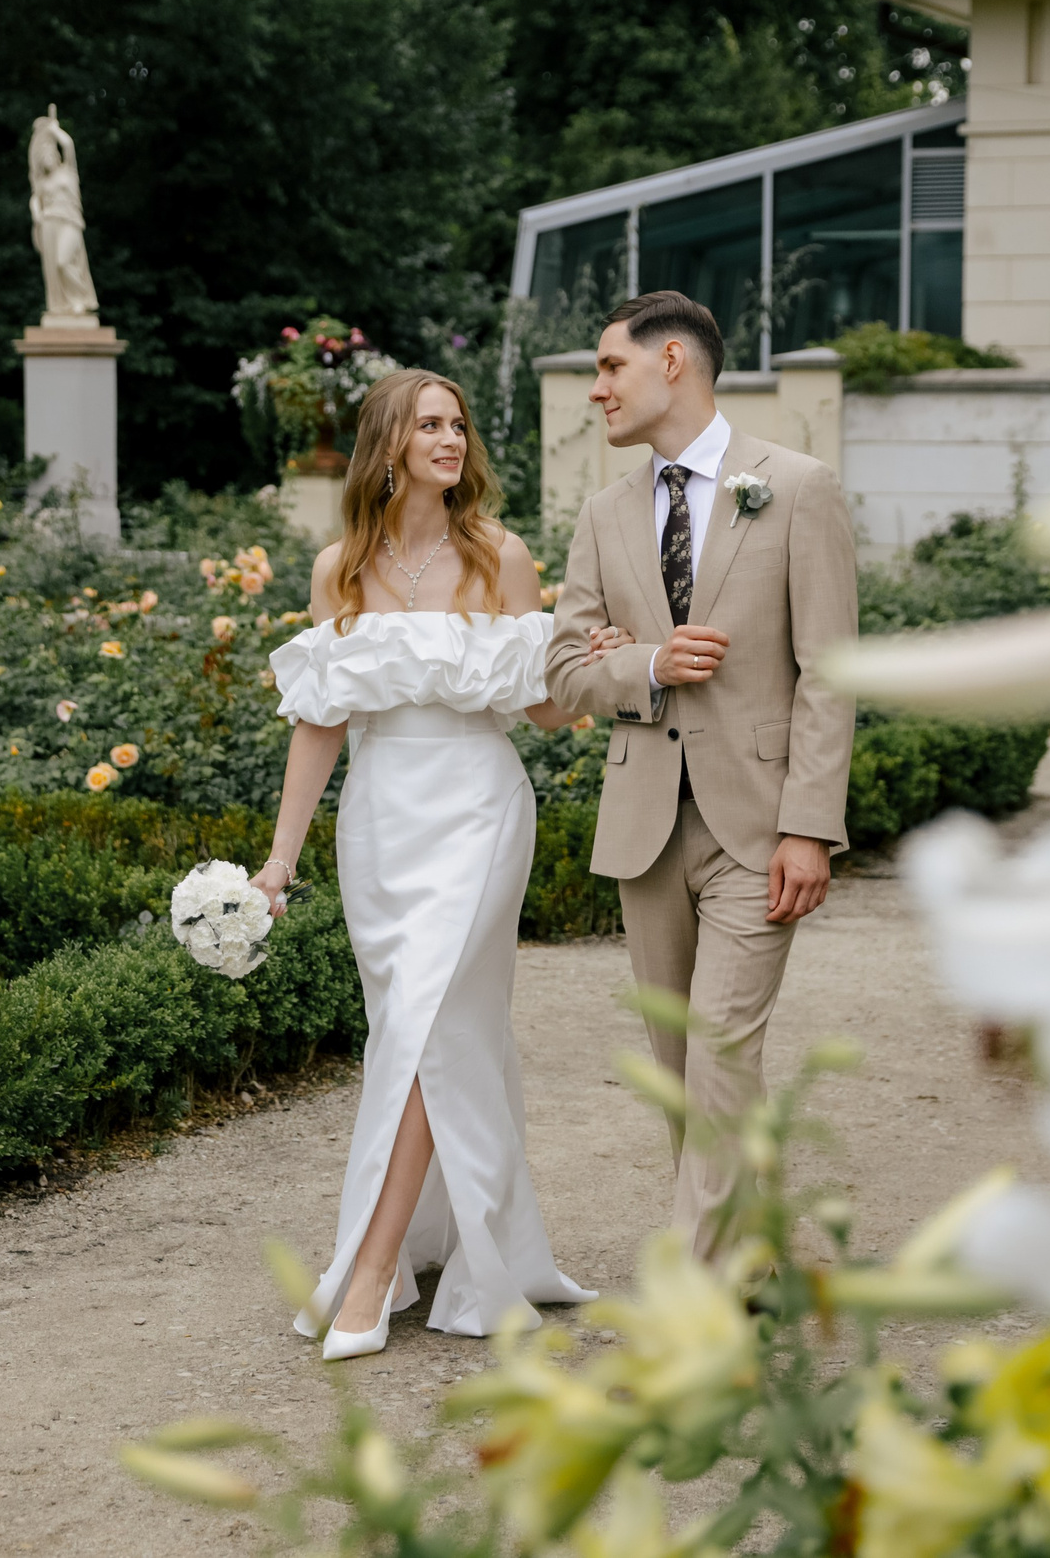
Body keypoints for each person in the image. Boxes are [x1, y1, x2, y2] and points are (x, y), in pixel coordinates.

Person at [250, 368, 614, 1360]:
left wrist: (591, 663)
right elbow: (319, 722)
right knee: (424, 1032)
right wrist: (279, 860)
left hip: (479, 808)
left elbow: (541, 710)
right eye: (429, 424)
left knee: (424, 1024)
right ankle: (456, 1246)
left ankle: (370, 1270)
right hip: (380, 818)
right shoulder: (340, 570)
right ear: (390, 442)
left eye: (458, 424)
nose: (450, 439)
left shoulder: (502, 557)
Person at [543, 291, 858, 1261]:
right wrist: (641, 664)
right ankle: (753, 1255)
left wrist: (809, 824)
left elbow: (828, 672)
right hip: (645, 825)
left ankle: (693, 1294)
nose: (596, 390)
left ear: (672, 360)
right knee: (684, 1068)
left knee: (722, 1051)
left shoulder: (797, 488)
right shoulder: (601, 514)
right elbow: (562, 675)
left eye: (609, 368)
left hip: (756, 825)